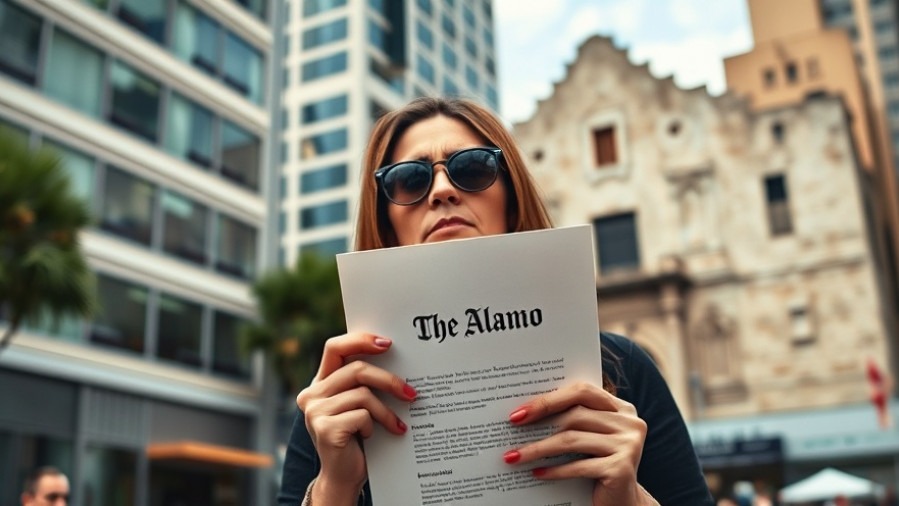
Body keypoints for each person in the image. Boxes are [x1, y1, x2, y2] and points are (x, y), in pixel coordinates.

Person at [277, 97, 714, 505]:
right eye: (410, 179)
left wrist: (629, 498)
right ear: (386, 224)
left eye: (471, 168)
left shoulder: (623, 366)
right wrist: (335, 486)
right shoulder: (340, 396)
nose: (442, 190)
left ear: (511, 197)